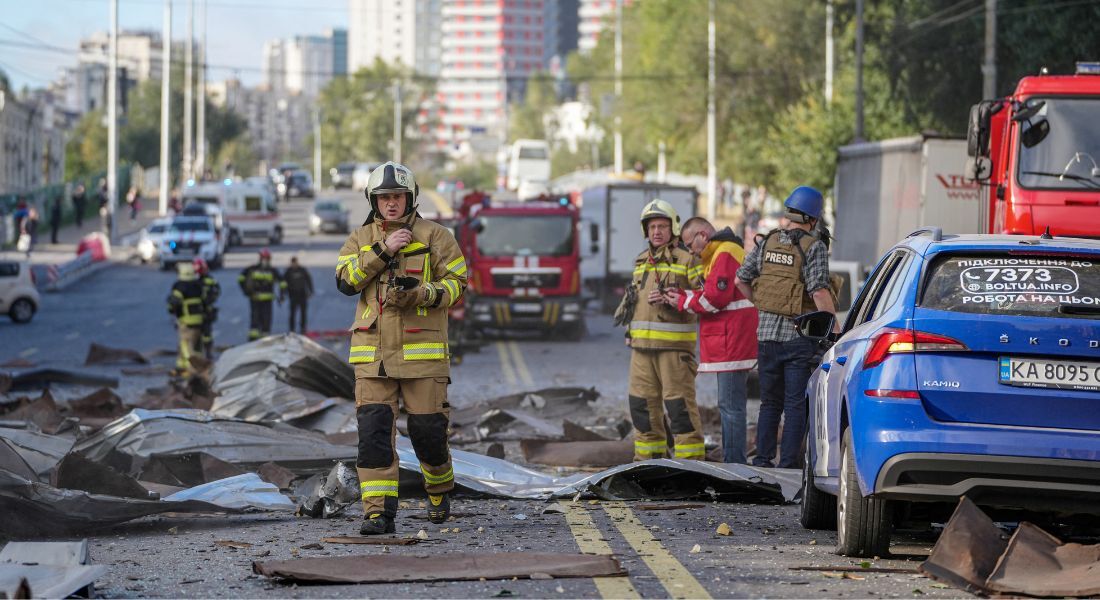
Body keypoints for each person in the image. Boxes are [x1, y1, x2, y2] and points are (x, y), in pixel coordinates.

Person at [335, 162, 467, 535]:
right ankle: (378, 513)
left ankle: (439, 490)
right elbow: (346, 280)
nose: (390, 204)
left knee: (428, 435)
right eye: (383, 198)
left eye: (396, 197)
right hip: (372, 357)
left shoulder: (437, 236)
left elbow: (458, 283)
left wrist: (423, 293)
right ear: (373, 201)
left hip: (422, 354)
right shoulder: (360, 238)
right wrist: (381, 249)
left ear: (410, 198)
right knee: (373, 436)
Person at [735, 186, 838, 468]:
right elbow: (818, 291)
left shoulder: (766, 243)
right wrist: (835, 329)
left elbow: (740, 279)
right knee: (795, 405)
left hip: (766, 338)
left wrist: (763, 304)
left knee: (770, 403)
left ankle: (763, 461)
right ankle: (789, 464)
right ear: (813, 219)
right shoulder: (812, 246)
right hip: (798, 338)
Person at [662, 217, 759, 464]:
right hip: (731, 341)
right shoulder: (722, 253)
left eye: (689, 243)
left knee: (730, 408)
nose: (690, 250)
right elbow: (712, 293)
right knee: (731, 406)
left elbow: (715, 298)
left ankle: (735, 465)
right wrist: (684, 294)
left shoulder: (724, 254)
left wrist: (683, 302)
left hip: (731, 343)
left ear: (703, 235)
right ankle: (734, 461)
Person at [618, 199, 706, 461]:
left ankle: (691, 468)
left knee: (680, 410)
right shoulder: (641, 261)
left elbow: (704, 298)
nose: (657, 231)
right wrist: (629, 332)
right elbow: (634, 301)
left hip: (674, 351)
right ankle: (647, 465)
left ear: (673, 229)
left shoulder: (688, 260)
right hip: (641, 349)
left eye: (662, 226)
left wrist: (676, 297)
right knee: (642, 408)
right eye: (652, 226)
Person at [167, 261, 208, 377]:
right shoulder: (198, 285)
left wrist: (171, 309)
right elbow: (206, 302)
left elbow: (174, 303)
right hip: (199, 320)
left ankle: (191, 369)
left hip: (186, 320)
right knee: (197, 344)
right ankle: (191, 366)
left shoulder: (180, 286)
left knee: (186, 345)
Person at [238, 248, 285, 341]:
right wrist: (246, 292)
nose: (266, 260)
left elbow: (282, 282)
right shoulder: (259, 269)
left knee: (261, 321)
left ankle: (260, 340)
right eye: (266, 258)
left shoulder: (259, 269)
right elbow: (241, 279)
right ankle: (257, 341)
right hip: (258, 299)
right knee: (259, 321)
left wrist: (282, 295)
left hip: (261, 299)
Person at [194, 257, 220, 358]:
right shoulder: (196, 280)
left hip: (205, 311)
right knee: (202, 333)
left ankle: (206, 352)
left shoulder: (209, 280)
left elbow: (216, 291)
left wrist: (209, 300)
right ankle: (202, 352)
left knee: (206, 333)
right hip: (199, 311)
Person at [284, 256, 313, 334]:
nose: (294, 264)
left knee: (303, 313)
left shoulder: (302, 270)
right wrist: (283, 294)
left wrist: (311, 291)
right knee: (292, 313)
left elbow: (308, 280)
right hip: (293, 295)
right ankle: (292, 329)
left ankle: (303, 328)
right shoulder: (288, 271)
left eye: (295, 263)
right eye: (293, 263)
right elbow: (284, 284)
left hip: (302, 294)